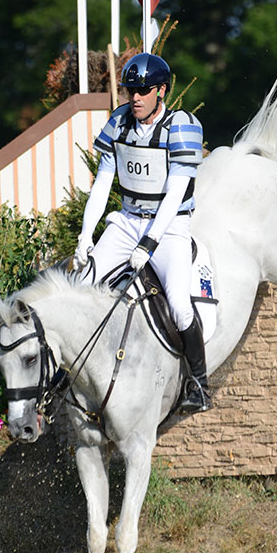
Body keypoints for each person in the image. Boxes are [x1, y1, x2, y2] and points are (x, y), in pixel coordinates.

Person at [72, 52, 211, 414]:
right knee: (82, 286)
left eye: (143, 91)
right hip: (128, 220)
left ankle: (199, 383)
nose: (134, 97)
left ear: (161, 91)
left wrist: (149, 244)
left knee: (180, 306)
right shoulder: (118, 124)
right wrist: (86, 235)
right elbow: (102, 183)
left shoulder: (180, 126)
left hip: (170, 227)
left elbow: (177, 191)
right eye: (130, 90)